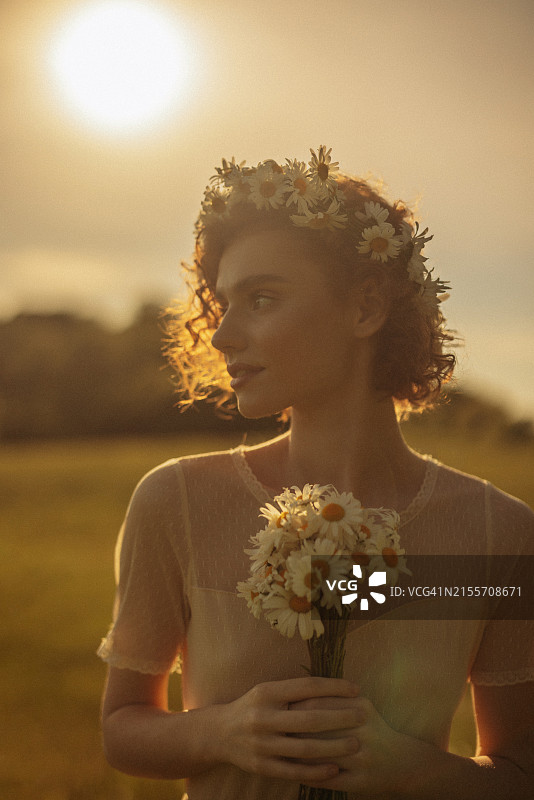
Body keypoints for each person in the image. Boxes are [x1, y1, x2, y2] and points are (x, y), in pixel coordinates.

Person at [98, 146, 534, 799]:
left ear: (365, 308)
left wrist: (414, 771)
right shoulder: (178, 500)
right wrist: (222, 732)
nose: (221, 337)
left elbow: (520, 775)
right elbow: (122, 727)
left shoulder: (498, 533)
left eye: (263, 298)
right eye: (224, 304)